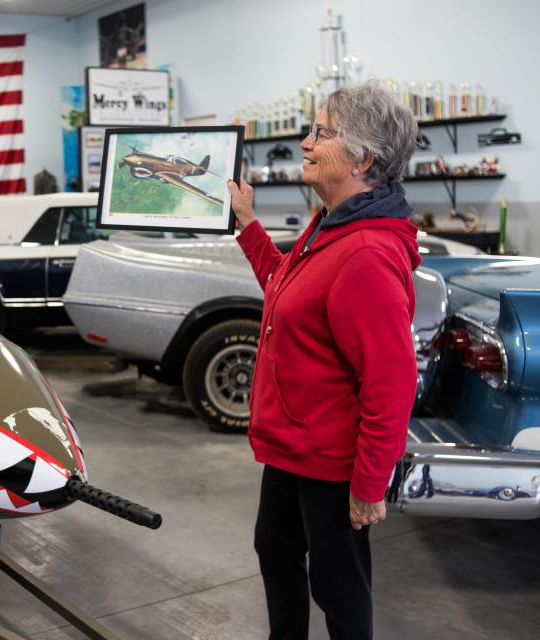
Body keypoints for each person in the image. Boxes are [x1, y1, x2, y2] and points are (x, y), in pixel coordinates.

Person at [226, 82, 420, 640]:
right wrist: (248, 225)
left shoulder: (366, 253)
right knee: (275, 552)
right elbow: (284, 293)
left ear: (362, 158)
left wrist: (369, 483)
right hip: (292, 446)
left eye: (322, 133)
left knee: (338, 587)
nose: (306, 143)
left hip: (332, 463)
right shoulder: (328, 223)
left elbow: (391, 380)